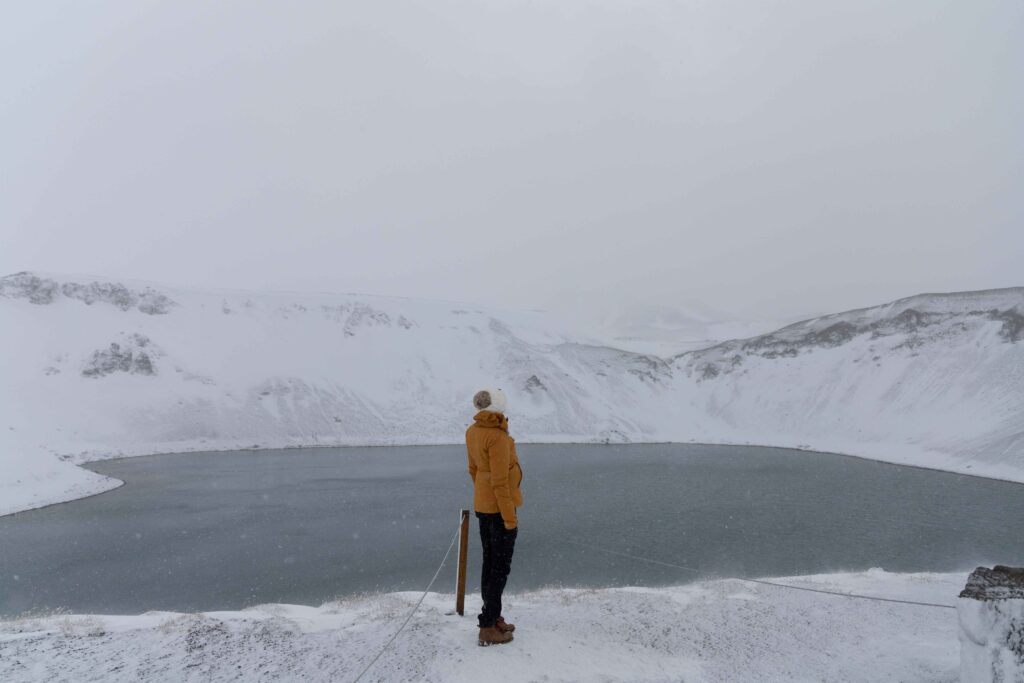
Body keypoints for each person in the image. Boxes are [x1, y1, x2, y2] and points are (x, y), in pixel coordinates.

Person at [465, 387, 523, 646]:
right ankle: (488, 626)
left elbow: (474, 470)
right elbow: (500, 482)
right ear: (499, 407)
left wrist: (484, 495)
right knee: (499, 569)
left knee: (490, 565)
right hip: (500, 511)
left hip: (483, 508)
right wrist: (510, 518)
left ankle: (492, 616)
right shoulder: (497, 437)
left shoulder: (473, 432)